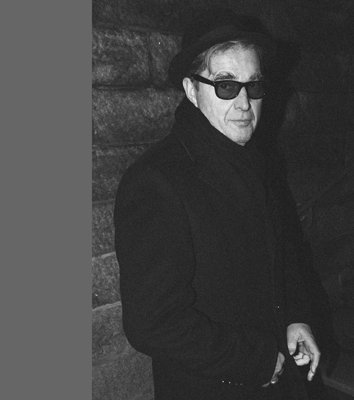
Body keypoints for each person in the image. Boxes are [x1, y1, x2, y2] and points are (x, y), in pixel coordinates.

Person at [114, 9, 321, 400]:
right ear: (192, 91)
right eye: (226, 86)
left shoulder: (257, 161)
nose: (244, 103)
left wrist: (297, 317)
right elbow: (153, 323)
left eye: (253, 86)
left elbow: (284, 254)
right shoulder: (156, 182)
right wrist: (257, 360)